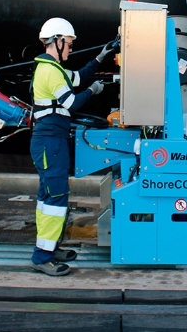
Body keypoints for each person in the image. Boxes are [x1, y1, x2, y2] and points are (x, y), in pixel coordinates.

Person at [29, 18, 116, 276]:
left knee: (50, 197)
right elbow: (71, 102)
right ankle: (41, 257)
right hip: (50, 142)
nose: (70, 48)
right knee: (55, 198)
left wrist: (100, 58)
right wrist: (94, 90)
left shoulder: (53, 68)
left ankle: (49, 247)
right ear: (56, 41)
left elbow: (77, 77)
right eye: (68, 44)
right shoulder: (49, 71)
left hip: (51, 140)